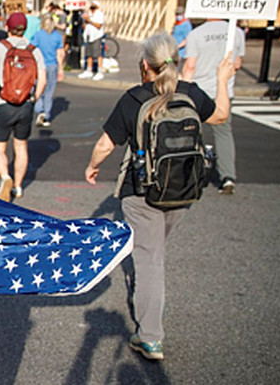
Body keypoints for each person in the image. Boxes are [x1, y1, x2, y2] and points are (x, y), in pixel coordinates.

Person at [85, 32, 235, 361]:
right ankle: (149, 319)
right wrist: (223, 79)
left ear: (145, 65)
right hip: (183, 189)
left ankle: (150, 336)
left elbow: (105, 145)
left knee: (150, 261)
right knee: (155, 251)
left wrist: (92, 167)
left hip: (143, 192)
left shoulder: (135, 98)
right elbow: (221, 115)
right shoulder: (192, 94)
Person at [0, 12, 46, 201]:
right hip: (25, 105)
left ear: (8, 27)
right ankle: (18, 186)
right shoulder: (34, 51)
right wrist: (34, 98)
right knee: (21, 147)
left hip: (3, 102)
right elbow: (42, 80)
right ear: (25, 28)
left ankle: (5, 176)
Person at [182, 19, 244, 195]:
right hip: (222, 90)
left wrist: (182, 91)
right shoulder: (237, 33)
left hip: (198, 91)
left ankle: (188, 175)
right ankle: (227, 177)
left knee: (190, 132)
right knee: (223, 132)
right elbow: (237, 64)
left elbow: (190, 66)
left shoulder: (196, 34)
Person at [30, 13, 65, 128]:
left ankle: (39, 109)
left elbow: (31, 48)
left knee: (38, 89)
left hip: (39, 65)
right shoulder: (57, 36)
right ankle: (46, 115)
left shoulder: (38, 35)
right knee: (49, 91)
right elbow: (60, 54)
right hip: (52, 65)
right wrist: (61, 69)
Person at [78, 0, 106, 81]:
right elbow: (84, 26)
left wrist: (89, 20)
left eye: (93, 4)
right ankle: (88, 70)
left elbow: (99, 25)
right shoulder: (89, 14)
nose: (91, 5)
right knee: (89, 54)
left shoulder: (99, 14)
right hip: (88, 36)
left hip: (97, 36)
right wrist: (85, 20)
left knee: (97, 54)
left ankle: (99, 71)